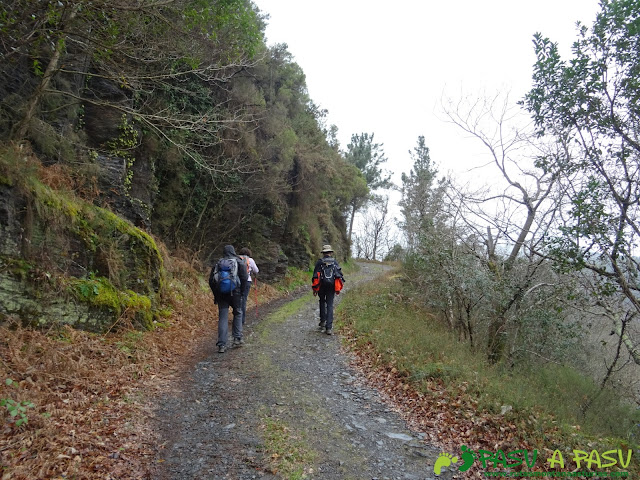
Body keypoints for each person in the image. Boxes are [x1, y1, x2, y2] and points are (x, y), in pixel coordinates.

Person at [209, 245, 248, 353]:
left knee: (223, 317)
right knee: (238, 313)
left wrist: (216, 295)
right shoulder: (239, 262)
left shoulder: (218, 263)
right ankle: (237, 338)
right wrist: (242, 293)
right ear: (233, 251)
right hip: (235, 293)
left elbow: (211, 281)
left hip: (221, 293)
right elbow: (244, 277)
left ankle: (222, 344)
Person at [312, 244, 344, 335]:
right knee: (330, 304)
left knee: (322, 301)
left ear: (323, 253)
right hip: (331, 286)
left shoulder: (319, 262)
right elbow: (339, 275)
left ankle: (322, 322)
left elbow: (315, 276)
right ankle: (329, 328)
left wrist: (315, 289)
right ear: (330, 253)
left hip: (321, 285)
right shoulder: (335, 262)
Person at [238, 247, 259, 325]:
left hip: (237, 281)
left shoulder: (237, 259)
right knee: (243, 299)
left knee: (237, 298)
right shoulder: (250, 260)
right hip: (247, 281)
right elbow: (256, 270)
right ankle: (242, 319)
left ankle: (237, 317)